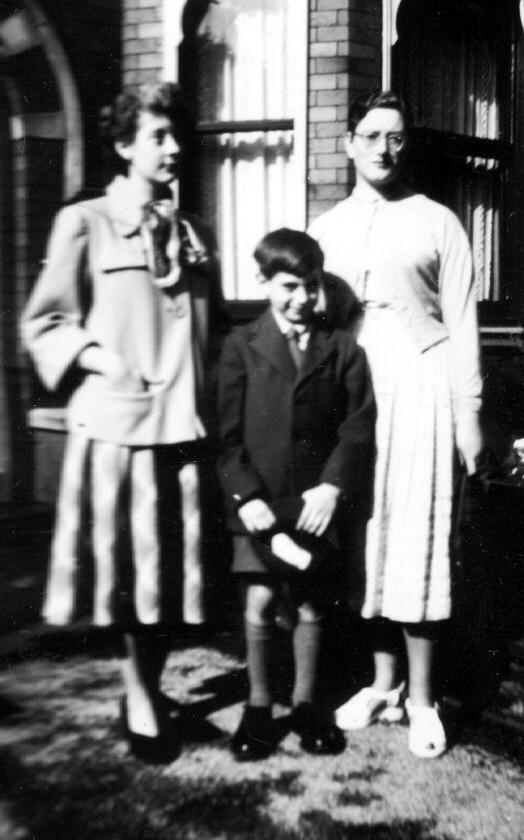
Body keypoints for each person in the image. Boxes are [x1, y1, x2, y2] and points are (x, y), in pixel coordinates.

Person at [22, 82, 223, 763]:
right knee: (135, 578)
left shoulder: (195, 231)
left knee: (171, 578)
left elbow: (212, 329)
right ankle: (139, 697)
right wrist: (100, 357)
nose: (174, 148)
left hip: (184, 428)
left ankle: (148, 690)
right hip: (121, 430)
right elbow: (44, 322)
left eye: (177, 134)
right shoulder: (86, 222)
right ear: (123, 145)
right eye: (158, 136)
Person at [308, 90, 483, 759]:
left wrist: (468, 413)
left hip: (421, 387)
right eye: (371, 135)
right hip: (354, 395)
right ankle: (383, 684)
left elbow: (462, 320)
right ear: (349, 143)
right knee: (369, 538)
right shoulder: (326, 230)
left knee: (416, 535)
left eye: (396, 137)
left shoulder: (438, 221)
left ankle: (423, 699)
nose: (384, 148)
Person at [217, 228, 376, 760]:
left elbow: (357, 426)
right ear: (263, 282)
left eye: (311, 285)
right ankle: (259, 707)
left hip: (314, 505)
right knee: (261, 600)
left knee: (310, 603)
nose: (302, 298)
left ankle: (307, 706)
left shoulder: (342, 349)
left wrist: (332, 487)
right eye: (288, 286)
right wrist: (246, 497)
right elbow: (225, 437)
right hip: (260, 505)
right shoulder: (240, 346)